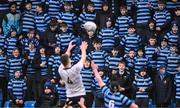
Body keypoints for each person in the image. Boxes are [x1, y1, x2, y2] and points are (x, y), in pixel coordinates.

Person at [58, 41, 88, 108]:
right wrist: (83, 49)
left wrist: (69, 49)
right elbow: (83, 59)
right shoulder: (75, 69)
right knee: (82, 106)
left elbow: (66, 57)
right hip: (80, 94)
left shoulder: (60, 70)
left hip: (70, 95)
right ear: (69, 61)